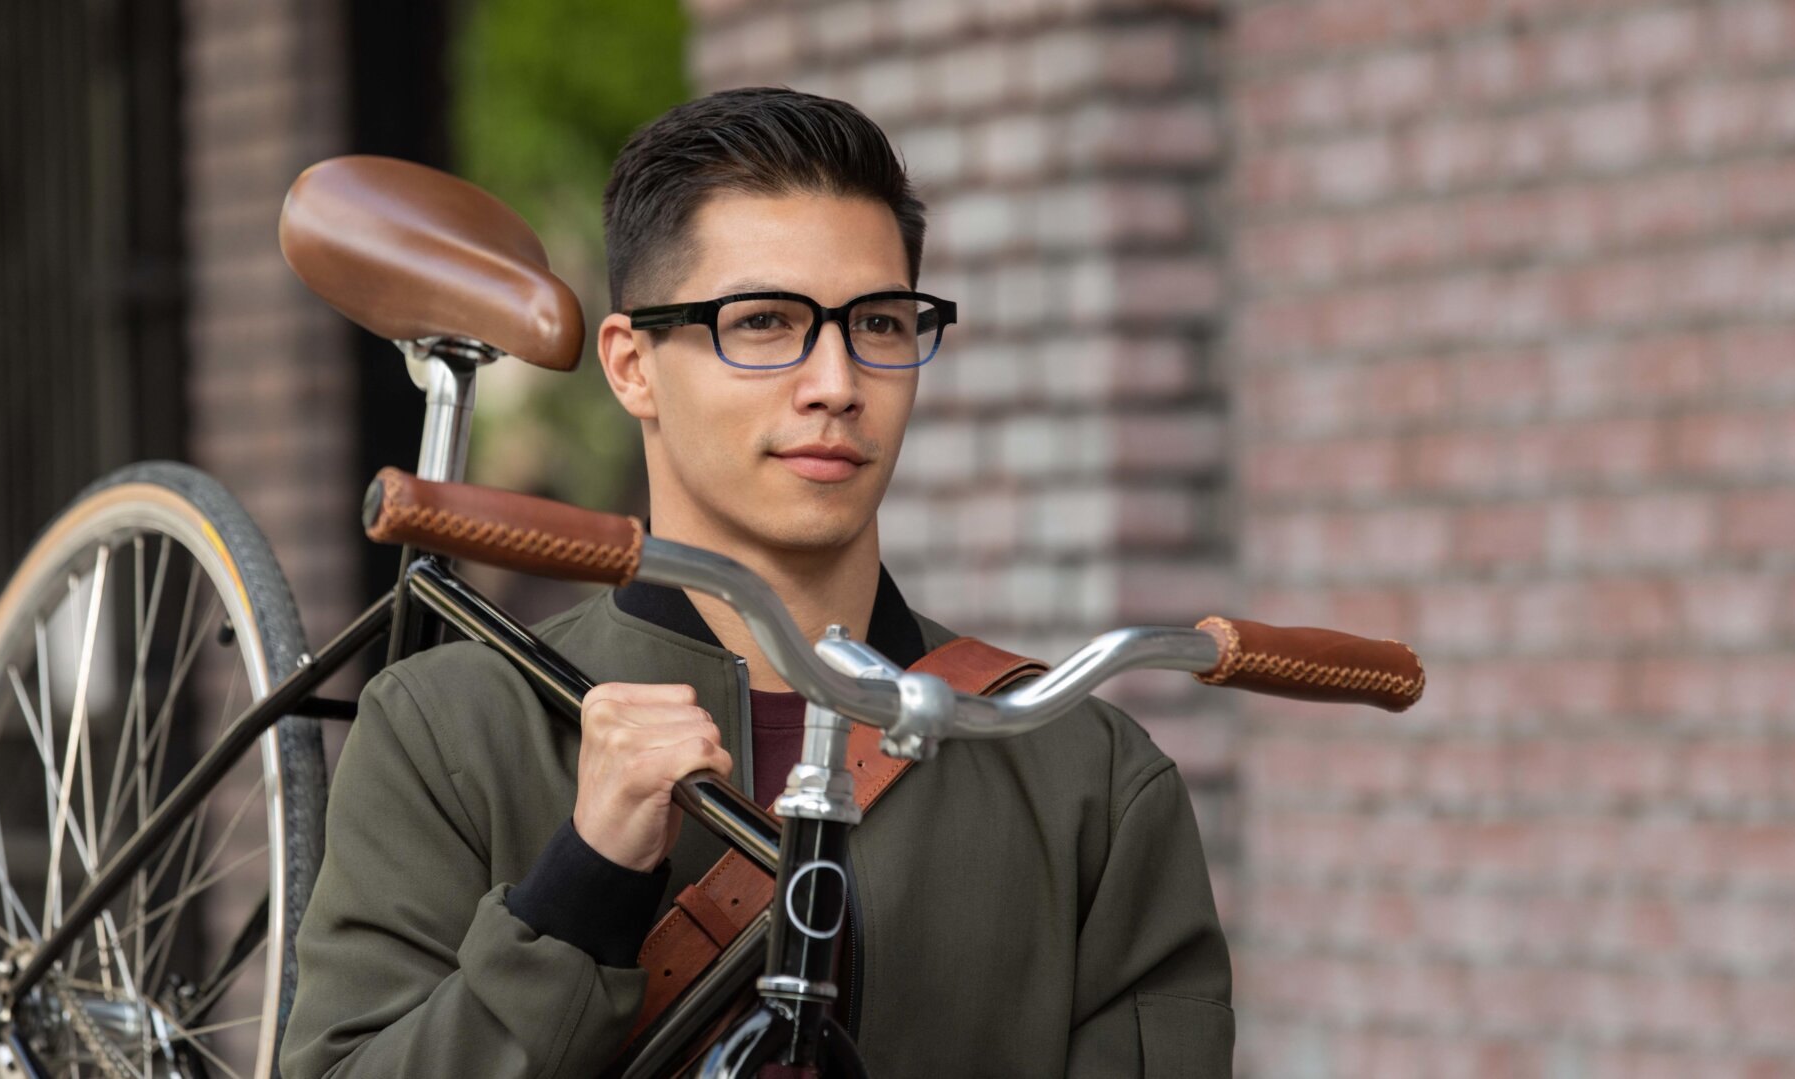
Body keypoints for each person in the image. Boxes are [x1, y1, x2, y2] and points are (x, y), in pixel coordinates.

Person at [280, 87, 1233, 1077]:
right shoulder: (454, 729)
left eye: (880, 320)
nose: (836, 380)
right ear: (632, 364)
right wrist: (582, 882)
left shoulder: (1088, 775)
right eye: (767, 321)